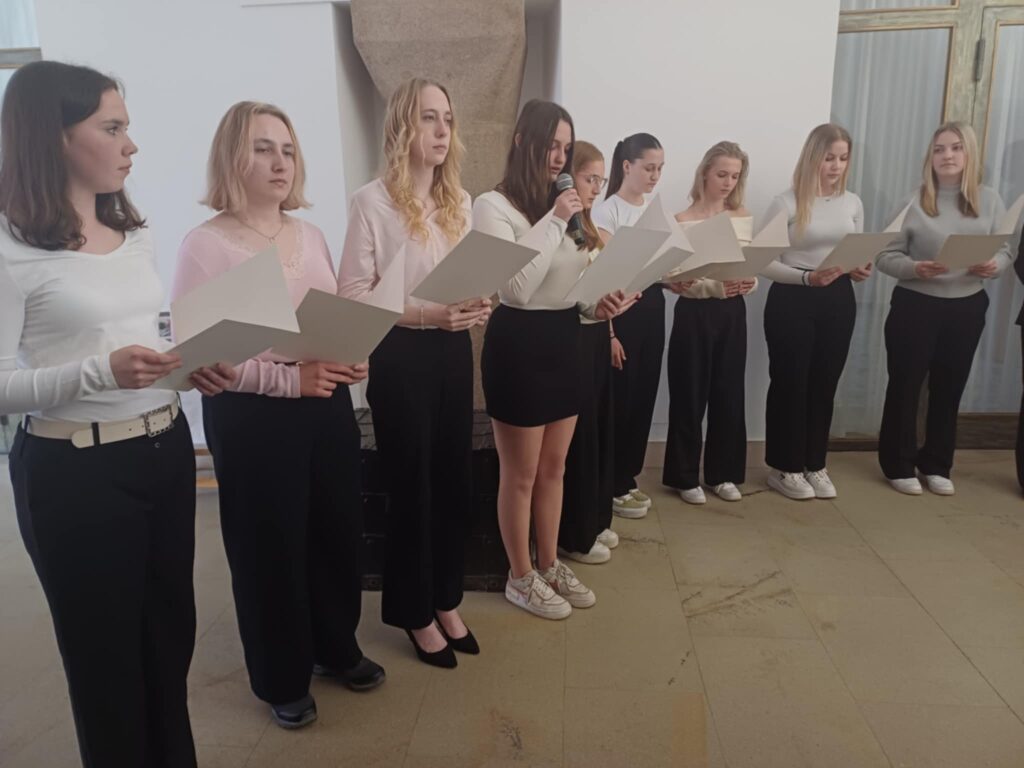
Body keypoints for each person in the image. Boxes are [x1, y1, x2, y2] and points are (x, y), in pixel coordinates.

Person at [1, 61, 235, 767]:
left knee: (168, 644)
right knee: (105, 664)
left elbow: (137, 337)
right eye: (112, 128)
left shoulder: (132, 230)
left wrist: (187, 367)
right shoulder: (10, 245)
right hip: (75, 471)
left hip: (162, 449)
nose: (131, 145)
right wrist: (100, 372)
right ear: (54, 136)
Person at [172, 101, 384, 730]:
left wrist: (350, 353)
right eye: (263, 148)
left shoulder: (310, 234)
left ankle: (334, 647)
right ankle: (281, 676)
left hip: (326, 402)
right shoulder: (205, 245)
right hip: (253, 417)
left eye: (287, 150)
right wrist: (290, 382)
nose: (280, 162)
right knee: (270, 546)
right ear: (232, 156)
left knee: (337, 531)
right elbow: (200, 360)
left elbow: (327, 315)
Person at [338, 78, 490, 668]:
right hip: (399, 355)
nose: (442, 130)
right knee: (412, 485)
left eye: (447, 118)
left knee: (453, 480)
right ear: (403, 125)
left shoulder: (461, 202)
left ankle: (445, 599)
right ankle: (412, 611)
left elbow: (463, 278)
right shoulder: (371, 202)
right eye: (429, 117)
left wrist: (476, 302)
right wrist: (430, 314)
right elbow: (354, 295)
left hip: (452, 352)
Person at [473, 100, 637, 619]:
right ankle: (519, 576)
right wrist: (555, 217)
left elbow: (574, 280)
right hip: (519, 344)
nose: (560, 157)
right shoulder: (493, 206)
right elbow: (518, 289)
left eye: (566, 147)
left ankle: (548, 563)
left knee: (554, 468)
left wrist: (597, 306)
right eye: (552, 145)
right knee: (520, 473)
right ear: (523, 141)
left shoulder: (563, 203)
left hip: (566, 338)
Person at [876, 121, 1015, 495]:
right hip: (916, 305)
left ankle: (936, 464)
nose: (947, 155)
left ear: (969, 154)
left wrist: (994, 266)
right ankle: (898, 464)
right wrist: (915, 268)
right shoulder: (913, 201)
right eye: (939, 149)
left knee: (949, 388)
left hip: (967, 307)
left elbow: (1005, 249)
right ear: (930, 156)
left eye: (955, 148)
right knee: (905, 387)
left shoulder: (990, 200)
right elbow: (884, 256)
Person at [760, 123, 871, 501]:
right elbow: (762, 262)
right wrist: (807, 278)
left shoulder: (853, 202)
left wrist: (859, 269)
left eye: (843, 158)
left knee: (825, 383)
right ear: (813, 158)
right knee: (791, 383)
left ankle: (814, 463)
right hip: (793, 298)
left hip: (838, 299)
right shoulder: (786, 203)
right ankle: (784, 467)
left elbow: (856, 252)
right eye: (829, 158)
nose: (836, 166)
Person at [664, 141, 757, 504]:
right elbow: (674, 276)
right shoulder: (681, 221)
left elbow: (750, 265)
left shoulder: (742, 216)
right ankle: (684, 475)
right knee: (689, 393)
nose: (728, 183)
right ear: (704, 173)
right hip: (694, 314)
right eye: (722, 174)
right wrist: (712, 286)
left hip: (733, 312)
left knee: (729, 392)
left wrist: (750, 282)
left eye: (735, 176)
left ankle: (724, 473)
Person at [591, 133, 665, 519]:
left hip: (653, 306)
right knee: (621, 398)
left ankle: (628, 476)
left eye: (660, 169)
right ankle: (611, 482)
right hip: (621, 312)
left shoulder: (655, 212)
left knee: (644, 394)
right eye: (649, 168)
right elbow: (604, 278)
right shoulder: (607, 213)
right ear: (626, 166)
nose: (655, 176)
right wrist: (610, 333)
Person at [557, 140, 620, 564]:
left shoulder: (592, 227)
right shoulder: (563, 227)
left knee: (599, 429)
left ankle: (596, 518)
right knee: (578, 438)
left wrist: (612, 329)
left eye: (601, 179)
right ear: (568, 178)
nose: (596, 188)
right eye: (589, 178)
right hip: (574, 336)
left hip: (598, 333)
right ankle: (574, 533)